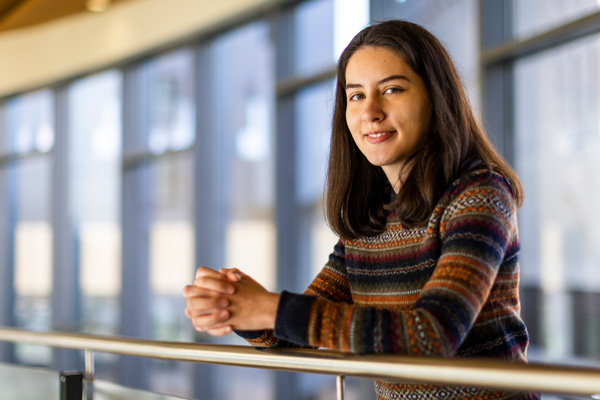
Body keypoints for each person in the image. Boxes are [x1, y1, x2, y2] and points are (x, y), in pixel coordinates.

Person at [183, 19, 539, 400]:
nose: (370, 111)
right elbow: (294, 340)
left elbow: (434, 335)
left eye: (392, 89)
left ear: (436, 98)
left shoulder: (479, 194)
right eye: (355, 96)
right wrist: (233, 305)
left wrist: (270, 309)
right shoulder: (373, 218)